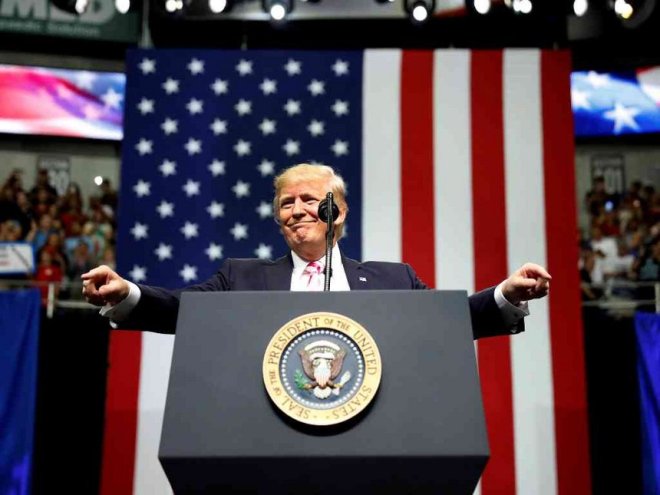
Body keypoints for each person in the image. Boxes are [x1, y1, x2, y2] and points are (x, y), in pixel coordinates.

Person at [82, 163, 550, 338]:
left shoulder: (394, 279)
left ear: (337, 212)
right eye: (286, 204)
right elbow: (183, 310)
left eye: (309, 199)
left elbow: (448, 321)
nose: (297, 210)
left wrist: (505, 294)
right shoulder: (241, 277)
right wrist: (127, 293)